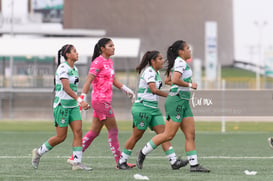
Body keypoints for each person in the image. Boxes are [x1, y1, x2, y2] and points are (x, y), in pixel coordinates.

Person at [136, 40, 210, 172]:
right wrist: (189, 85)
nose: (189, 50)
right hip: (176, 102)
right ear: (181, 52)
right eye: (187, 48)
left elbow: (168, 80)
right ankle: (142, 153)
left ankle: (194, 165)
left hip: (183, 102)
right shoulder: (180, 62)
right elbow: (175, 80)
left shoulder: (180, 63)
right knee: (168, 135)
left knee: (190, 134)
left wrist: (185, 82)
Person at [67, 38, 136, 168]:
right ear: (102, 49)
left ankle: (73, 157)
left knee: (94, 132)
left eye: (113, 45)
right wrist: (82, 98)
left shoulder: (109, 61)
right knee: (114, 130)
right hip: (100, 101)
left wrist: (127, 90)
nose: (113, 48)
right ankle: (120, 162)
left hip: (103, 101)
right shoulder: (97, 62)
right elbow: (88, 81)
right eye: (110, 46)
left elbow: (113, 80)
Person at [117, 51, 188, 170]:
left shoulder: (156, 72)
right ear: (152, 61)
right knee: (136, 136)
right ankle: (122, 161)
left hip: (154, 109)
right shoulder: (149, 72)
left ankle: (174, 161)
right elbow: (154, 90)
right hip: (142, 108)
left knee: (164, 134)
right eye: (160, 59)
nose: (162, 61)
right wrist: (170, 96)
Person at [31, 44, 92, 171]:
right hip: (62, 106)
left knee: (78, 132)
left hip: (73, 106)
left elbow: (73, 88)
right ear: (68, 55)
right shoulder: (62, 68)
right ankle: (38, 152)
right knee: (61, 137)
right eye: (74, 51)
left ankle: (77, 163)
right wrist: (81, 101)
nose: (77, 53)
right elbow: (66, 88)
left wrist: (78, 102)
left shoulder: (74, 68)